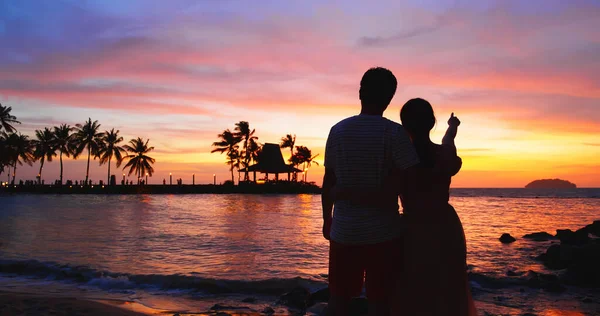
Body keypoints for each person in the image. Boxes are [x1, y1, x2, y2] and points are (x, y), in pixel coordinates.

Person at [322, 67, 420, 316]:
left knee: (339, 298)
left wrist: (327, 219)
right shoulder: (395, 133)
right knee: (380, 300)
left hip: (344, 230)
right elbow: (411, 183)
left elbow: (328, 179)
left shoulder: (338, 130)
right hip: (384, 233)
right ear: (389, 98)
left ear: (360, 93)